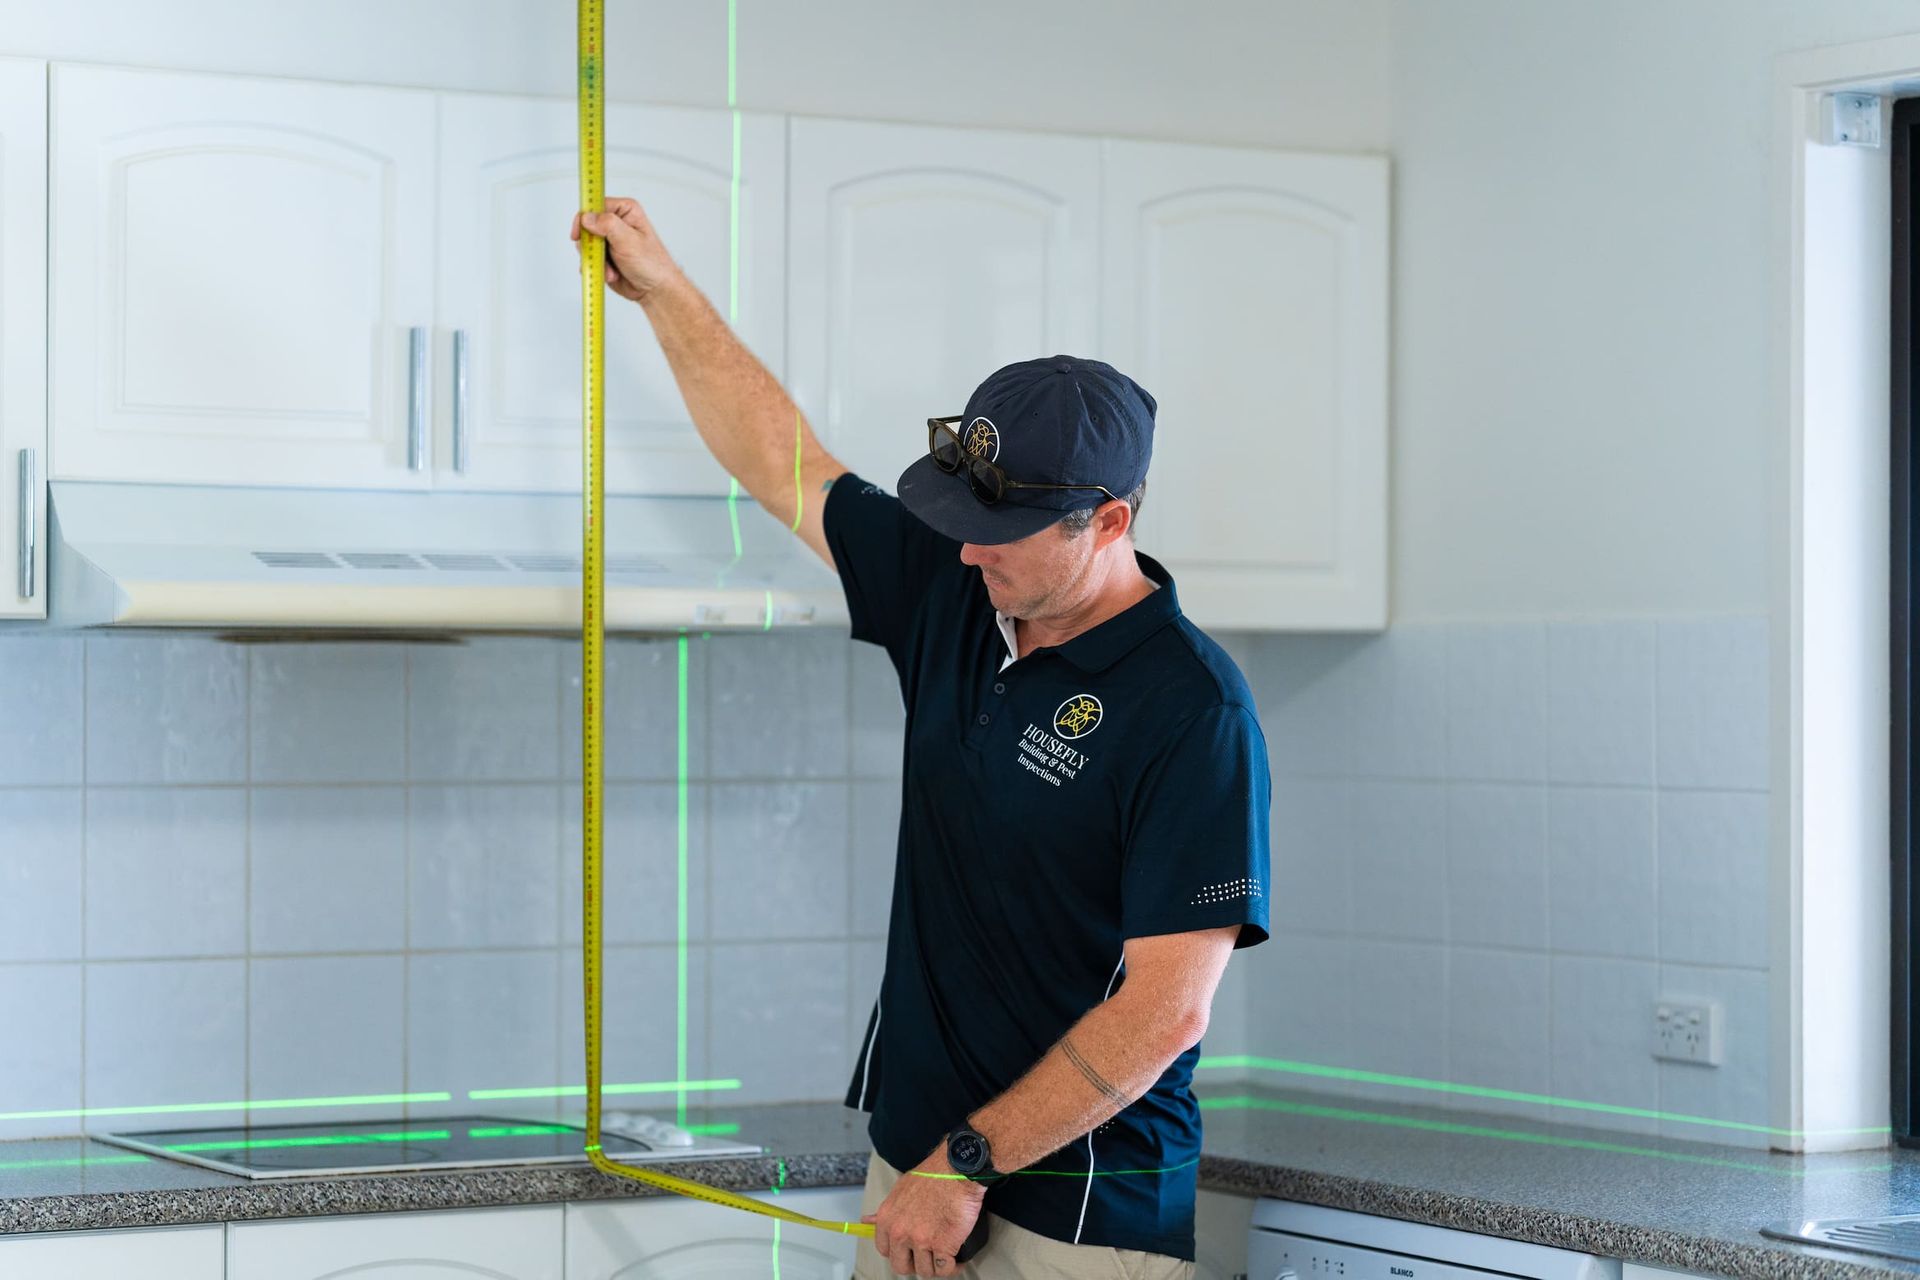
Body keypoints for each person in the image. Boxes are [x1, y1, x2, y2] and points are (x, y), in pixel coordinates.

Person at [574, 199, 1271, 1280]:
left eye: (999, 533)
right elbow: (786, 462)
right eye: (959, 520)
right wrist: (667, 291)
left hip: (1074, 1218)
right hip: (919, 1179)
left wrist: (968, 1162)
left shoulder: (1192, 708)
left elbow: (1166, 1009)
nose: (964, 553)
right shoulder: (959, 593)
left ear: (1110, 522)